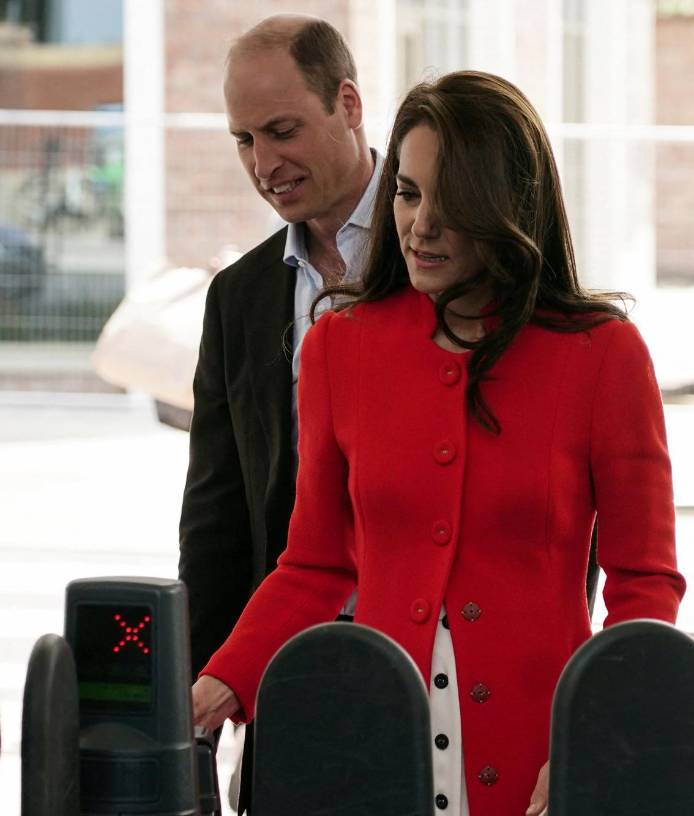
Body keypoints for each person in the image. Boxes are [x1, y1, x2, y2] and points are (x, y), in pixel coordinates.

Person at [190, 70, 686, 816]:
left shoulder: (603, 355)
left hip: (545, 760)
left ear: (508, 205)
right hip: (375, 751)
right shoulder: (339, 348)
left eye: (451, 203)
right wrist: (221, 680)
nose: (421, 226)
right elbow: (317, 562)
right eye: (409, 193)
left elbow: (646, 584)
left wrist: (596, 735)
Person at [176, 14, 379, 813]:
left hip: (439, 667)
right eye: (243, 141)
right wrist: (204, 689)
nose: (264, 164)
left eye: (283, 130)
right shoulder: (241, 296)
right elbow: (218, 510)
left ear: (349, 104)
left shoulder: (447, 252)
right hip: (284, 666)